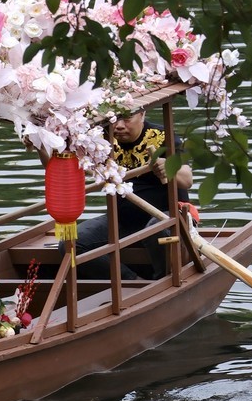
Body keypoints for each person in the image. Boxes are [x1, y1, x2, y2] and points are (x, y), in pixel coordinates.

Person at [74, 107, 193, 279]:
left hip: (166, 216)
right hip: (123, 219)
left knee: (156, 229)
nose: (119, 126)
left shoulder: (162, 135)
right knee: (72, 244)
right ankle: (133, 283)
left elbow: (187, 179)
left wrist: (168, 167)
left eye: (127, 118)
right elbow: (60, 162)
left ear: (142, 114)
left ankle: (164, 282)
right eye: (114, 119)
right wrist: (40, 146)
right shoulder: (101, 140)